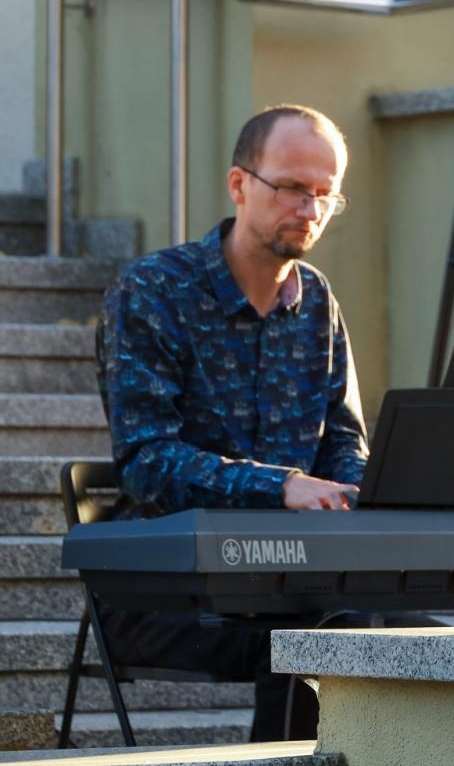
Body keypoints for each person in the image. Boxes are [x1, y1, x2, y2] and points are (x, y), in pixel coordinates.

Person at [96, 104, 365, 741]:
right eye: (293, 187)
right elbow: (147, 461)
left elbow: (345, 443)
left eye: (325, 195)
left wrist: (371, 494)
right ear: (240, 185)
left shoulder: (317, 300)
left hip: (295, 578)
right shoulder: (153, 292)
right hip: (164, 586)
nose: (309, 209)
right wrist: (278, 486)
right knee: (314, 639)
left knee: (421, 642)